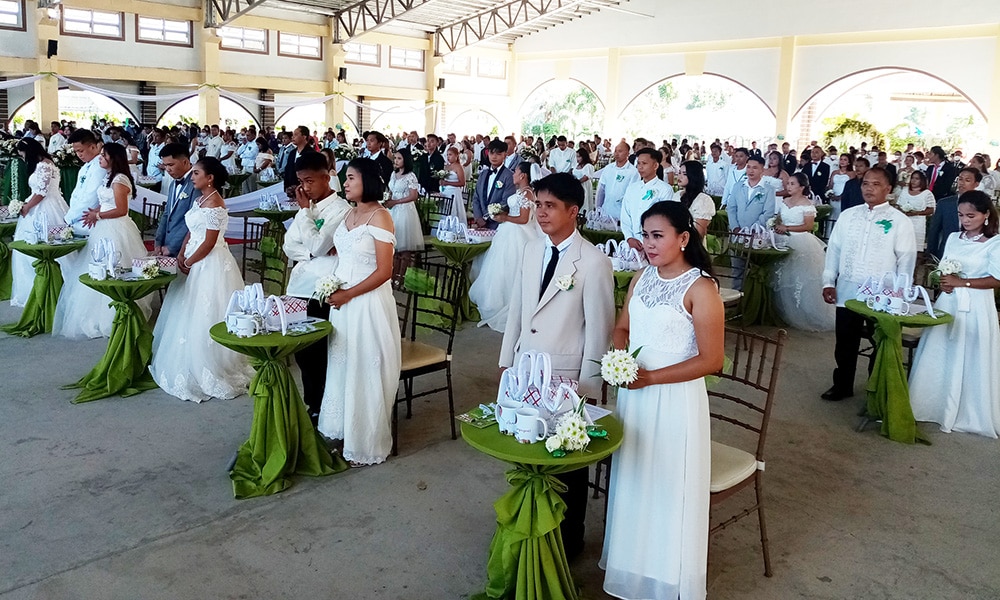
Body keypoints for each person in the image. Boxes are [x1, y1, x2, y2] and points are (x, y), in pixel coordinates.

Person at [600, 200, 723, 600]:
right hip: (634, 393)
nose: (648, 244)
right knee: (635, 475)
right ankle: (631, 564)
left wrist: (651, 376)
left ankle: (667, 577)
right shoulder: (641, 277)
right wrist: (619, 357)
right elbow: (622, 327)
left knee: (668, 482)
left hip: (673, 400)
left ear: (684, 238)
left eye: (658, 236)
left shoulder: (700, 288)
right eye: (646, 235)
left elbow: (712, 359)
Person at [499, 172, 615, 560]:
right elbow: (518, 307)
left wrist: (589, 384)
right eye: (538, 204)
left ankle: (570, 538)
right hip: (526, 368)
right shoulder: (532, 249)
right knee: (528, 451)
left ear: (573, 211)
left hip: (567, 378)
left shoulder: (594, 262)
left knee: (567, 462)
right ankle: (533, 530)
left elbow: (599, 328)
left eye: (550, 206)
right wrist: (507, 361)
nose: (541, 213)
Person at [317, 158, 400, 466]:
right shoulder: (349, 213)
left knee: (365, 367)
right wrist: (331, 286)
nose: (346, 183)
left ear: (368, 179)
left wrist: (347, 293)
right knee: (342, 364)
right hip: (343, 301)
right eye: (345, 178)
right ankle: (342, 430)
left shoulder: (381, 216)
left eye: (351, 177)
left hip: (367, 303)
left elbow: (384, 271)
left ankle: (365, 440)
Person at [150, 157, 252, 402]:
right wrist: (183, 250)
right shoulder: (199, 200)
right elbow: (191, 232)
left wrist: (190, 260)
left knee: (207, 309)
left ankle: (215, 363)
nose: (192, 177)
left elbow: (209, 242)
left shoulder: (216, 203)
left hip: (210, 263)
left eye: (196, 173)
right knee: (186, 306)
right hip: (194, 255)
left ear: (210, 178)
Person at [909, 191, 1000, 438]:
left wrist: (963, 283)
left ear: (986, 215)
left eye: (971, 215)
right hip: (949, 302)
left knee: (969, 353)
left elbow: (996, 279)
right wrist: (943, 282)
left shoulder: (995, 243)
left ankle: (967, 409)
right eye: (961, 215)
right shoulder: (952, 237)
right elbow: (943, 267)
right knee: (940, 348)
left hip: (977, 306)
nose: (965, 220)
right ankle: (931, 403)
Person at [820, 167, 916, 401]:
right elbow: (834, 250)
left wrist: (899, 294)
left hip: (882, 295)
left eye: (875, 184)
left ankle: (876, 387)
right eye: (865, 184)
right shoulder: (848, 215)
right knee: (845, 342)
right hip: (848, 290)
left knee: (879, 342)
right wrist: (828, 281)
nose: (869, 188)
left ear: (888, 189)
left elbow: (906, 260)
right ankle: (842, 385)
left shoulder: (899, 221)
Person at [52, 143, 151, 339]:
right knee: (98, 267)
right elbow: (106, 202)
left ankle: (112, 314)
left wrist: (98, 216)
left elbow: (121, 210)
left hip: (117, 227)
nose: (100, 158)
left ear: (113, 158)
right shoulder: (109, 176)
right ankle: (96, 313)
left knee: (114, 265)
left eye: (103, 155)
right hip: (104, 226)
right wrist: (95, 212)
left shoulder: (120, 179)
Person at [283, 152, 352, 421]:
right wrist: (313, 252)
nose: (304, 189)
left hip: (322, 288)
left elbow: (317, 243)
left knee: (318, 351)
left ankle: (322, 407)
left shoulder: (342, 210)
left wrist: (305, 221)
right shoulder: (308, 208)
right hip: (299, 285)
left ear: (327, 177)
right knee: (302, 351)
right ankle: (312, 402)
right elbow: (290, 246)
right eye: (301, 182)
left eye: (309, 181)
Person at [469, 161, 543, 332]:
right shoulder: (520, 192)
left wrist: (505, 218)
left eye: (516, 171)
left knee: (510, 268)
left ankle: (509, 305)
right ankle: (495, 302)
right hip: (508, 232)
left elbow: (524, 219)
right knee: (499, 268)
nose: (513, 174)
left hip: (518, 234)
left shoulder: (527, 194)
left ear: (523, 175)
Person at [772, 173, 836, 331]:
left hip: (801, 240)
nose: (789, 186)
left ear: (801, 187)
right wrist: (777, 225)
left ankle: (803, 310)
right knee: (784, 275)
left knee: (802, 277)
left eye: (793, 184)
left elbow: (808, 226)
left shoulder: (807, 204)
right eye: (788, 184)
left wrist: (787, 228)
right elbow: (780, 219)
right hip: (783, 239)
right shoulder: (784, 201)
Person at [10, 139, 69, 307]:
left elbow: (42, 192)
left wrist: (27, 207)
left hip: (44, 207)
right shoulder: (46, 163)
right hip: (47, 204)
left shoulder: (44, 165)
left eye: (22, 154)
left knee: (40, 242)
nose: (22, 157)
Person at [620, 148, 674, 250]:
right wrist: (629, 237)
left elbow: (663, 219)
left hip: (654, 244)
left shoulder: (665, 189)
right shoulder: (632, 188)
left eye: (644, 163)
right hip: (631, 244)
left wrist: (649, 240)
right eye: (638, 163)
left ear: (655, 166)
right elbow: (625, 215)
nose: (640, 167)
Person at [155, 143, 201, 257]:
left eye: (171, 164)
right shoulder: (173, 184)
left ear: (185, 162)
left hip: (186, 246)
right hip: (167, 244)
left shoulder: (197, 184)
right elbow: (167, 214)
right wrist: (158, 242)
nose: (168, 169)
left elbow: (192, 220)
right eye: (165, 165)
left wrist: (172, 247)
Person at [927, 167, 981, 261]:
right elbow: (934, 230)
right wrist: (931, 254)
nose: (962, 183)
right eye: (960, 179)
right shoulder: (944, 203)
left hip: (973, 253)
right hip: (947, 253)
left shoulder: (981, 204)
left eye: (967, 180)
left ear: (976, 184)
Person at [63, 129, 107, 237]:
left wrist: (70, 217)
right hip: (78, 217)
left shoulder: (100, 166)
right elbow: (76, 193)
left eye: (81, 151)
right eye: (76, 152)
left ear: (92, 147)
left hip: (90, 218)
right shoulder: (85, 167)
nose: (78, 155)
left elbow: (91, 197)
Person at [384, 148, 425, 256]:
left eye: (399, 158)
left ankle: (403, 271)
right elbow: (391, 190)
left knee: (404, 244)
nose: (396, 161)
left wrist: (396, 202)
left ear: (405, 160)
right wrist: (388, 198)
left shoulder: (410, 176)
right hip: (393, 209)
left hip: (405, 210)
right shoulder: (394, 174)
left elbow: (413, 196)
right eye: (395, 158)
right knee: (392, 242)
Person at [471, 139, 515, 231]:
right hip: (480, 222)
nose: (494, 157)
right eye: (492, 153)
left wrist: (487, 218)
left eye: (498, 154)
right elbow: (476, 197)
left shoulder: (509, 176)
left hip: (498, 223)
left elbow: (506, 201)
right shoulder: (483, 174)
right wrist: (478, 217)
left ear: (505, 155)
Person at [728, 155, 776, 231]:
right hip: (737, 232)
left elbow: (768, 213)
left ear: (762, 170)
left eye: (755, 168)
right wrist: (735, 227)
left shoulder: (768, 189)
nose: (751, 171)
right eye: (748, 167)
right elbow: (731, 208)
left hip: (756, 233)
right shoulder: (738, 186)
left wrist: (754, 229)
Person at [595, 141, 639, 222]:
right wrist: (598, 209)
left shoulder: (633, 172)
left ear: (628, 153)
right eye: (615, 151)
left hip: (621, 215)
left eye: (620, 151)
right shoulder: (608, 168)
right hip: (605, 212)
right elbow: (601, 190)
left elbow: (632, 195)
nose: (616, 153)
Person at [895, 170, 935, 249]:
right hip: (903, 221)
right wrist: (902, 210)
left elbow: (931, 210)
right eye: (912, 178)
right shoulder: (905, 190)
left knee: (915, 248)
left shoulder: (927, 193)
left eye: (917, 179)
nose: (913, 180)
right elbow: (898, 204)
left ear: (922, 181)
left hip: (917, 224)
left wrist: (916, 213)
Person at [676, 160, 716, 237]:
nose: (680, 176)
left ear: (693, 176)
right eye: (679, 172)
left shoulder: (703, 200)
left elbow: (699, 233)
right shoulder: (676, 195)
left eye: (685, 174)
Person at [439, 145, 467, 222]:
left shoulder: (459, 167)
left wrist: (447, 183)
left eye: (450, 155)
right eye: (447, 155)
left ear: (456, 155)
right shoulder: (447, 166)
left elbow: (462, 183)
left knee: (453, 211)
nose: (448, 157)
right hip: (445, 192)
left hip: (454, 192)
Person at [573, 147, 596, 212]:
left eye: (579, 157)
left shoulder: (588, 166)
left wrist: (577, 182)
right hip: (576, 187)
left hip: (584, 187)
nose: (577, 159)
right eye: (576, 157)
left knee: (585, 203)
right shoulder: (576, 165)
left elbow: (586, 177)